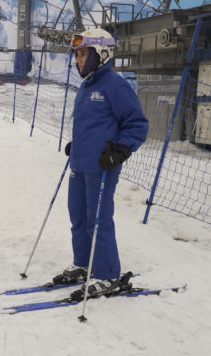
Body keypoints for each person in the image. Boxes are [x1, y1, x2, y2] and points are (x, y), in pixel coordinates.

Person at [56, 28, 148, 296]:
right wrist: (78, 145)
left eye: (83, 54)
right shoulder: (86, 87)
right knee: (78, 215)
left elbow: (136, 124)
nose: (78, 60)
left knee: (98, 219)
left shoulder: (115, 85)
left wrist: (120, 150)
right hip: (80, 163)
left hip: (102, 165)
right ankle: (84, 264)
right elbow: (91, 125)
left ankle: (108, 275)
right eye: (77, 55)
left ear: (102, 53)